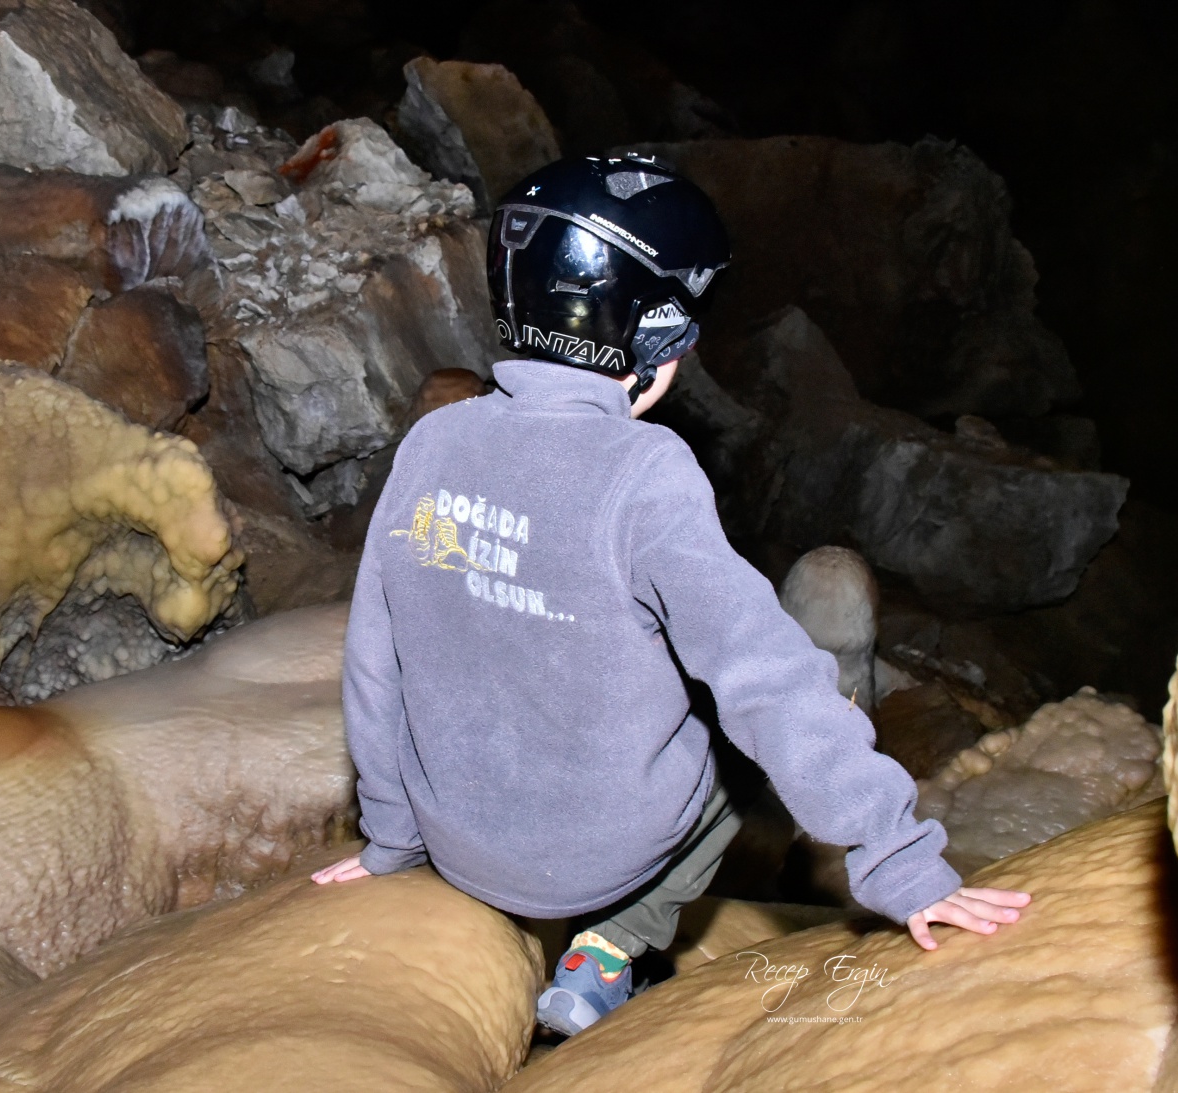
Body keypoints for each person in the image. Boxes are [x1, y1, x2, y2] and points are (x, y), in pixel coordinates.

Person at [311, 155, 1029, 1037]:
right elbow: (763, 680)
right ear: (656, 342)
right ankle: (613, 946)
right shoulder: (648, 473)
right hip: (594, 860)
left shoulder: (435, 443)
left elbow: (374, 659)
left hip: (456, 841)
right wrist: (899, 858)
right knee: (754, 723)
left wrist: (392, 839)